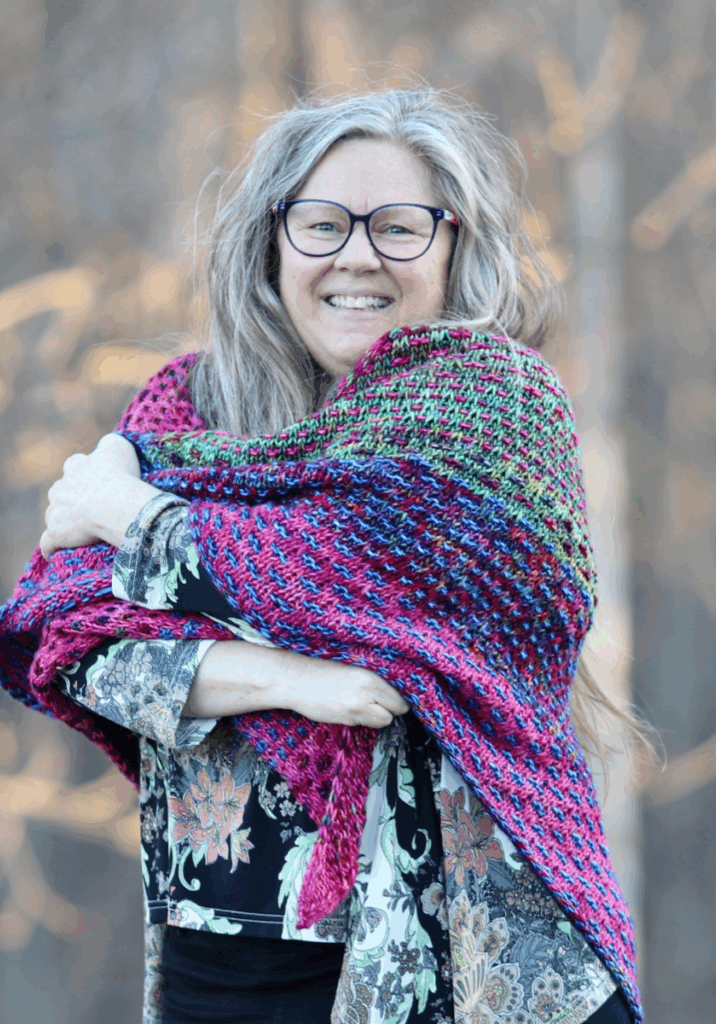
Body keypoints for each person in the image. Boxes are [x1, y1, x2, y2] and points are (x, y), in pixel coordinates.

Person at [2, 89, 642, 1024]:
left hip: (461, 956)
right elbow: (72, 638)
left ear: (455, 244)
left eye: (399, 226)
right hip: (216, 956)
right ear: (274, 240)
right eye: (322, 223)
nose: (356, 255)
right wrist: (289, 679)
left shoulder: (500, 411)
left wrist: (136, 515)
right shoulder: (185, 411)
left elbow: (338, 577)